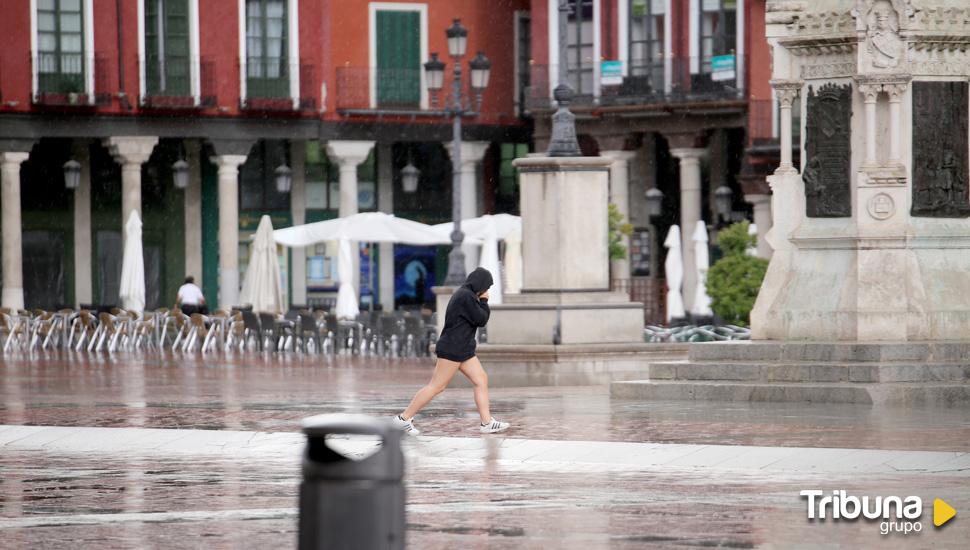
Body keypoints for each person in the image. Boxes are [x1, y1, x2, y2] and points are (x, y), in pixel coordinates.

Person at [392, 267, 509, 435]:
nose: (487, 290)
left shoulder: (466, 294)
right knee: (436, 386)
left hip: (463, 348)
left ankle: (487, 422)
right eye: (487, 287)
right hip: (453, 348)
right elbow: (481, 319)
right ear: (480, 284)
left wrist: (481, 300)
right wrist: (484, 301)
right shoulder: (466, 296)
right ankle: (403, 419)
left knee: (481, 379)